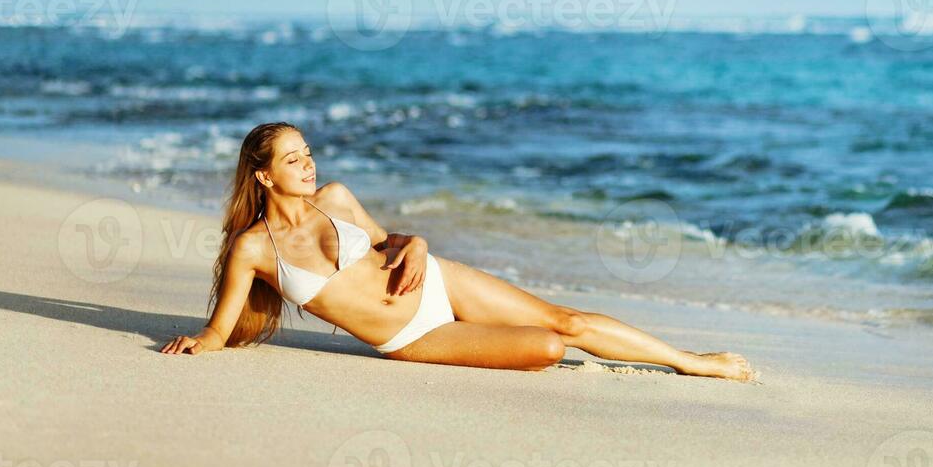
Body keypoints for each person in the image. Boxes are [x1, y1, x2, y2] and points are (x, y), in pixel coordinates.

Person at [160, 121, 753, 380]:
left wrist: (416, 243)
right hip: (412, 338)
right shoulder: (253, 249)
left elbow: (390, 240)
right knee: (548, 348)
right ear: (262, 177)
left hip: (437, 281)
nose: (308, 164)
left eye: (308, 151)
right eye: (293, 159)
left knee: (562, 317)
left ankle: (690, 361)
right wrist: (200, 344)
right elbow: (219, 330)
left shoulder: (336, 197)